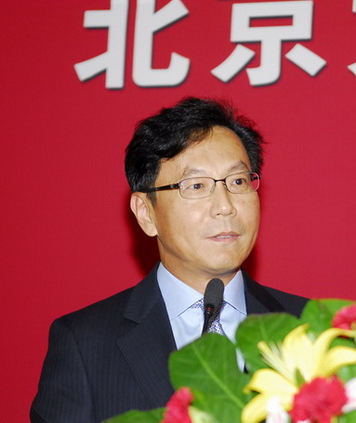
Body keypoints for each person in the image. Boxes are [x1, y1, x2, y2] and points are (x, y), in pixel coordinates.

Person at [30, 97, 308, 423]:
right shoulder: (85, 344)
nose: (225, 206)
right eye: (196, 185)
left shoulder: (309, 328)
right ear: (146, 214)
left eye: (238, 181)